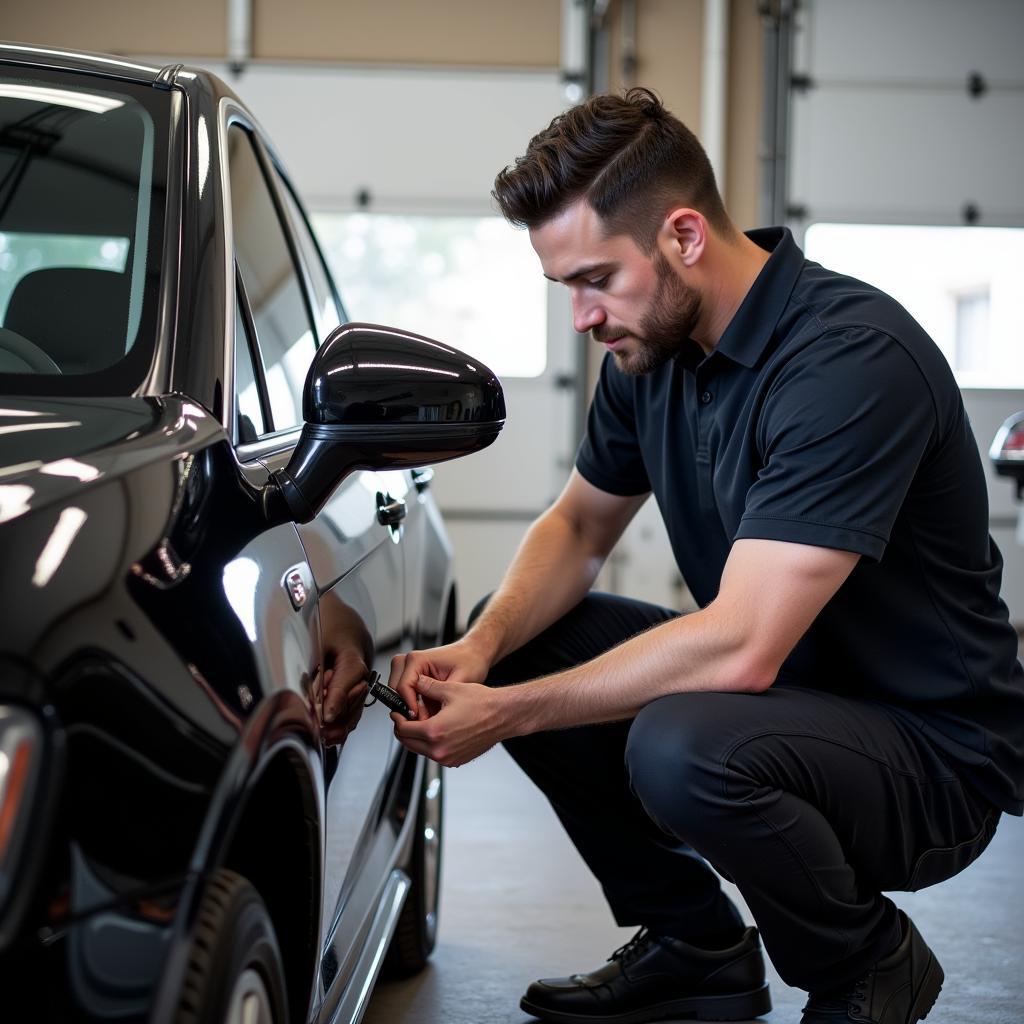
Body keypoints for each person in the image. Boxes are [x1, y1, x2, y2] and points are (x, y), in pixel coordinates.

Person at [387, 88, 1024, 1024]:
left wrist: (508, 716)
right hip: (783, 706)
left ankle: (866, 964)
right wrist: (484, 658)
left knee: (681, 744)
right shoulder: (650, 358)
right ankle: (697, 947)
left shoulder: (849, 361)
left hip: (932, 757)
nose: (582, 317)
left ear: (684, 235)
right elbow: (576, 528)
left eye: (596, 278)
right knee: (525, 635)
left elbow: (741, 649)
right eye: (565, 287)